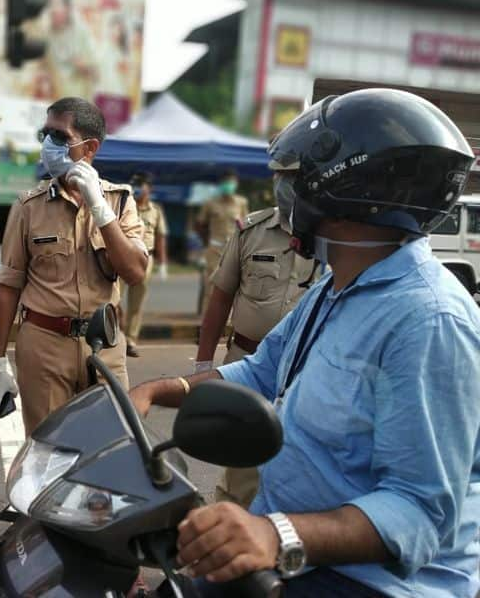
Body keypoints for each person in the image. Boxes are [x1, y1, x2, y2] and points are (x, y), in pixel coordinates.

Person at [129, 89, 480, 597]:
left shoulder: (429, 322)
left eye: (293, 182)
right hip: (295, 548)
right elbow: (260, 372)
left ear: (342, 191)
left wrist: (274, 534)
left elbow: (419, 511)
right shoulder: (334, 286)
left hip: (367, 581)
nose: (283, 195)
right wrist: (156, 392)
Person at [0, 96, 147, 435]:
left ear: (89, 147)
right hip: (44, 345)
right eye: (45, 134)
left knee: (108, 450)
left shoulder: (119, 201)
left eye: (59, 136)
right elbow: (9, 286)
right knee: (50, 454)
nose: (48, 145)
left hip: (104, 345)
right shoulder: (29, 206)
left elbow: (134, 273)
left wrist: (99, 208)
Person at [194, 197, 317, 507]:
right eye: (278, 175)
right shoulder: (251, 230)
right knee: (241, 469)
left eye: (293, 175)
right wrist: (203, 367)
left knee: (299, 468)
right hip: (247, 362)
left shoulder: (330, 234)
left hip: (307, 369)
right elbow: (220, 299)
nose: (285, 184)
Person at [123, 171, 167, 357]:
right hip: (122, 255)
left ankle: (130, 340)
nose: (139, 189)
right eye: (136, 185)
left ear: (150, 189)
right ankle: (112, 336)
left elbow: (160, 237)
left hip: (145, 257)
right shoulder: (125, 205)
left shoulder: (155, 211)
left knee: (137, 302)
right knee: (112, 298)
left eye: (142, 185)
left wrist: (162, 263)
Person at [195, 169, 249, 314]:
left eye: (231, 183)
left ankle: (228, 325)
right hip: (215, 248)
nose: (228, 186)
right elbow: (200, 224)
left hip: (234, 249)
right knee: (211, 285)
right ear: (221, 184)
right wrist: (206, 242)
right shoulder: (210, 203)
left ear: (236, 184)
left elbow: (246, 225)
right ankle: (206, 323)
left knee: (233, 286)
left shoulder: (241, 203)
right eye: (225, 183)